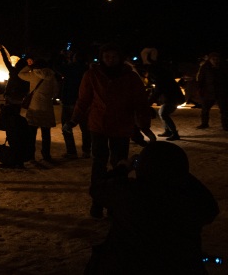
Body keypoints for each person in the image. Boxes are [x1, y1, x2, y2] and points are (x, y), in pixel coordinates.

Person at [86, 142, 219, 274]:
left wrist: (122, 168)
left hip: (130, 266)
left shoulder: (130, 193)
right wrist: (180, 173)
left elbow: (97, 188)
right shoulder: (191, 199)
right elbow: (210, 208)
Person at [63, 43, 155, 219]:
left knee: (119, 165)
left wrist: (144, 126)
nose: (110, 60)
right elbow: (83, 100)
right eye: (107, 56)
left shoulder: (130, 77)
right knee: (98, 164)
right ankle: (97, 202)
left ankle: (115, 203)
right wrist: (74, 119)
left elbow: (140, 103)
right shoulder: (92, 75)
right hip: (99, 125)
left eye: (114, 56)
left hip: (121, 127)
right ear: (102, 57)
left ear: (120, 58)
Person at [18, 58, 60, 163]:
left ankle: (31, 156)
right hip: (47, 108)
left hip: (34, 107)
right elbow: (56, 91)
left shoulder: (33, 74)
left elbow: (20, 74)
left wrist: (29, 66)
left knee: (32, 134)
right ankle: (46, 155)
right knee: (46, 134)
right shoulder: (52, 76)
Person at [55, 51, 91, 158]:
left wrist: (61, 55)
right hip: (84, 101)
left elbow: (56, 66)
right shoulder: (87, 69)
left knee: (67, 126)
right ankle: (86, 151)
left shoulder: (70, 68)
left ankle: (71, 151)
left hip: (69, 100)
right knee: (85, 128)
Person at [142, 56, 185, 140]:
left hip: (172, 99)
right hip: (171, 98)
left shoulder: (161, 79)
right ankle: (168, 131)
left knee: (163, 113)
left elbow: (157, 93)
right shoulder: (163, 76)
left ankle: (174, 133)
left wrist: (148, 103)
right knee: (162, 112)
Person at [0, 102, 34, 169]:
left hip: (19, 153)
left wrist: (0, 114)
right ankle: (18, 162)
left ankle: (13, 162)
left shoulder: (10, 122)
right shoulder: (21, 120)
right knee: (18, 148)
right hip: (29, 152)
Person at [195, 51, 228, 131]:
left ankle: (226, 125)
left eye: (217, 59)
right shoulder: (205, 67)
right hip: (208, 92)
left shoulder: (223, 67)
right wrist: (199, 89)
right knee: (205, 109)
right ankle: (204, 123)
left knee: (224, 110)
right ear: (210, 59)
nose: (215, 60)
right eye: (213, 59)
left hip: (221, 91)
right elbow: (201, 79)